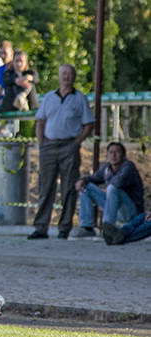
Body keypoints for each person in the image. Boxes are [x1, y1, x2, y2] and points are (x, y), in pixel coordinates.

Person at [28, 64, 95, 240]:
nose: (66, 77)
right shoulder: (50, 97)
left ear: (74, 77)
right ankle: (40, 227)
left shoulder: (80, 98)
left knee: (69, 187)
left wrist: (77, 142)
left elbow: (89, 123)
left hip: (69, 145)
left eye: (70, 74)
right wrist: (42, 143)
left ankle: (64, 227)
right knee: (45, 186)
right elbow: (40, 121)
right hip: (49, 145)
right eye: (64, 74)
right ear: (59, 76)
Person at [71, 141, 144, 237]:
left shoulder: (128, 167)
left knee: (112, 188)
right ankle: (87, 227)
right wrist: (83, 180)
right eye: (110, 152)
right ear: (107, 155)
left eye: (117, 152)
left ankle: (108, 228)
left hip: (130, 211)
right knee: (86, 186)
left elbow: (119, 182)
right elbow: (92, 178)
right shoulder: (107, 168)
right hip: (114, 208)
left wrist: (108, 178)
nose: (113, 155)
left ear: (123, 155)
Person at [0, 50, 39, 136]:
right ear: (13, 62)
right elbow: (7, 81)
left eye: (21, 61)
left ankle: (22, 100)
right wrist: (16, 80)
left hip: (29, 105)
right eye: (16, 61)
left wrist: (27, 78)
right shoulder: (8, 74)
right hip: (10, 105)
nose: (19, 64)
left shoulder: (30, 72)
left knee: (29, 85)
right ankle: (1, 131)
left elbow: (36, 78)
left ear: (26, 62)